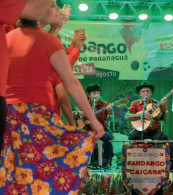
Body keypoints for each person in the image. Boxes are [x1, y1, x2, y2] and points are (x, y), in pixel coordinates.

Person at [1, 1, 104, 194]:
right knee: (43, 176)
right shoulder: (49, 42)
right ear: (36, 12)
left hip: (7, 116)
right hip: (36, 118)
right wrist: (94, 120)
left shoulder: (7, 38)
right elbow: (71, 83)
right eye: (51, 5)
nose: (57, 8)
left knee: (12, 175)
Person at [0, 0, 53, 150]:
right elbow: (35, 11)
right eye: (52, 5)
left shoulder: (11, 35)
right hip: (29, 108)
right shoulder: (46, 40)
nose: (56, 9)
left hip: (12, 103)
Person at [77, 84, 113, 167]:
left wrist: (110, 112)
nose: (96, 95)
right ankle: (82, 162)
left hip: (100, 131)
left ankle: (105, 161)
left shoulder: (104, 105)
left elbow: (108, 120)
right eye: (94, 93)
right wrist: (87, 114)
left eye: (97, 93)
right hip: (87, 129)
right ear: (89, 95)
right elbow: (77, 113)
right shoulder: (84, 104)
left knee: (108, 137)